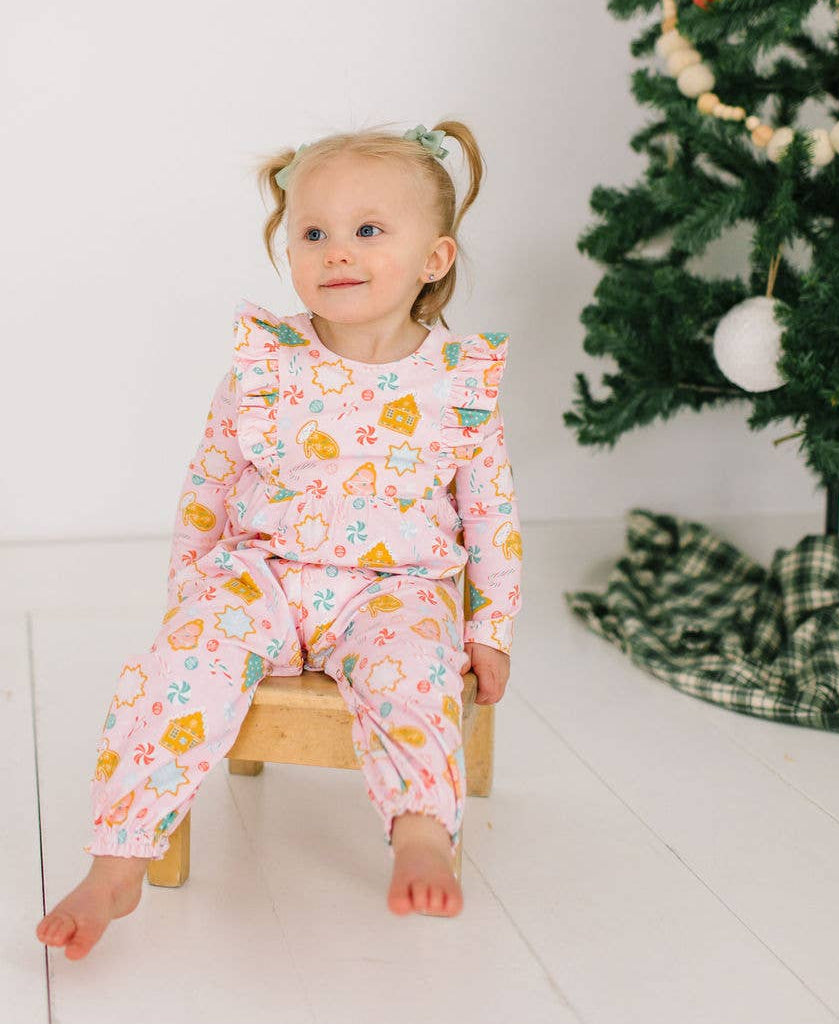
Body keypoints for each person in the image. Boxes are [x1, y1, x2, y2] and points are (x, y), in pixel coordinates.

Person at [36, 119, 522, 959]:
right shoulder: (268, 363)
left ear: (433, 260)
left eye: (369, 230)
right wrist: (195, 588)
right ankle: (119, 857)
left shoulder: (457, 384)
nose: (337, 250)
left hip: (396, 587)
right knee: (180, 664)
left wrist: (489, 629)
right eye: (313, 232)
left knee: (414, 674)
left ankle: (419, 830)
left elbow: (491, 517)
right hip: (265, 573)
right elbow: (211, 481)